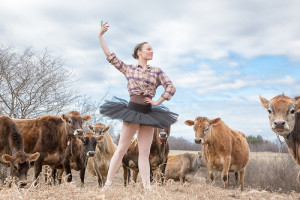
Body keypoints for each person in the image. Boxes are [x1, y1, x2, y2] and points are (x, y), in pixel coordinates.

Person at [98, 21, 178, 191]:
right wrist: (100, 36)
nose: (151, 51)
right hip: (132, 111)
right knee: (121, 149)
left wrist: (158, 101)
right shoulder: (129, 69)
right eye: (148, 49)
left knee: (144, 152)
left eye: (152, 49)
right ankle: (107, 185)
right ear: (139, 52)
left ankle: (147, 187)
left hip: (149, 113)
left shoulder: (157, 71)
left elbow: (171, 87)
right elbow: (111, 57)